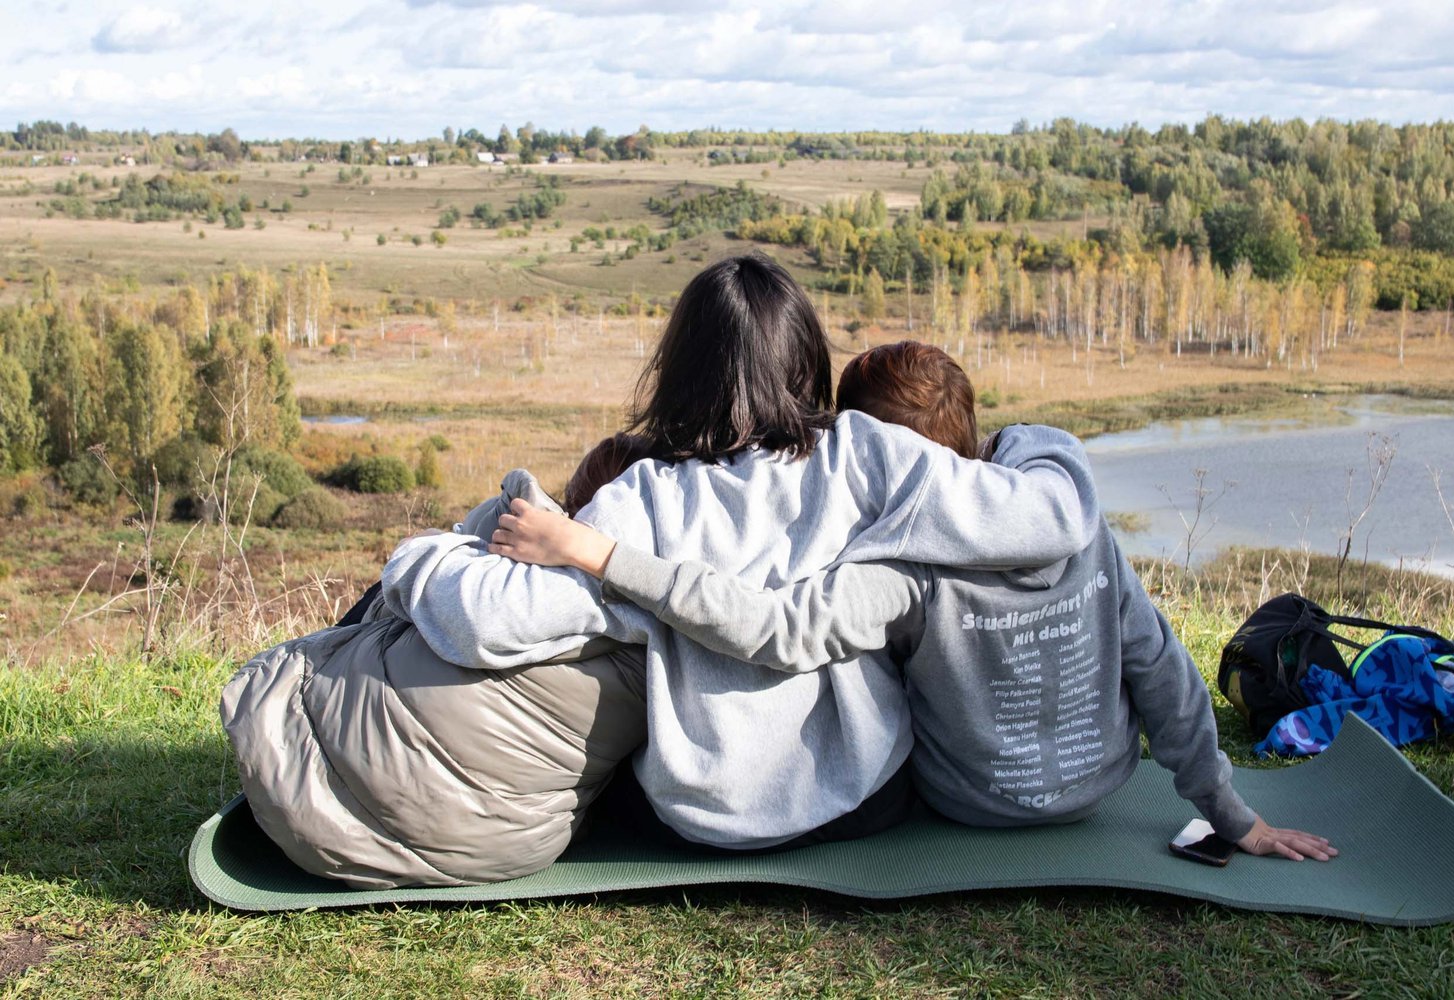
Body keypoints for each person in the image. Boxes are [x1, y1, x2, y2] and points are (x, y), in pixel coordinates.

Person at [493, 341, 1335, 862]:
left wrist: (593, 550)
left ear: (881, 457)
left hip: (970, 805)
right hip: (1102, 785)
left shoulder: (904, 574)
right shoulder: (1080, 526)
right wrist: (1232, 816)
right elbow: (1163, 669)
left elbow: (772, 631)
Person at [379, 253, 1102, 851]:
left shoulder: (641, 499)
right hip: (868, 795)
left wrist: (420, 555)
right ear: (805, 358)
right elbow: (1056, 516)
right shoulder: (870, 454)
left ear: (681, 370)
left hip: (707, 818)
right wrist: (1038, 442)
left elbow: (490, 619)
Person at [220, 436, 652, 887]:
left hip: (298, 801)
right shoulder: (663, 624)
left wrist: (427, 546)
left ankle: (315, 703)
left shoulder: (535, 580)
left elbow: (474, 616)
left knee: (398, 600)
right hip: (503, 851)